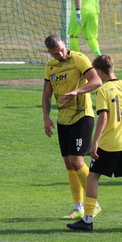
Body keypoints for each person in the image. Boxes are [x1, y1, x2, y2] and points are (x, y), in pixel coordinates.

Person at [67, 55, 122, 232]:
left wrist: (95, 142)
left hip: (109, 144)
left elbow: (104, 117)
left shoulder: (103, 90)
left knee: (92, 178)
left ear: (99, 71)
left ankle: (88, 220)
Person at [42, 34, 103, 220]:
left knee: (77, 162)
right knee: (69, 163)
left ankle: (94, 204)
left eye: (61, 49)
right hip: (63, 119)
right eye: (55, 53)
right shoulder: (50, 66)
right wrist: (46, 117)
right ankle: (78, 207)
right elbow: (46, 95)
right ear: (49, 53)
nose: (60, 54)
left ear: (64, 44)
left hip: (82, 116)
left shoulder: (78, 58)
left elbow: (96, 81)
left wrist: (76, 91)